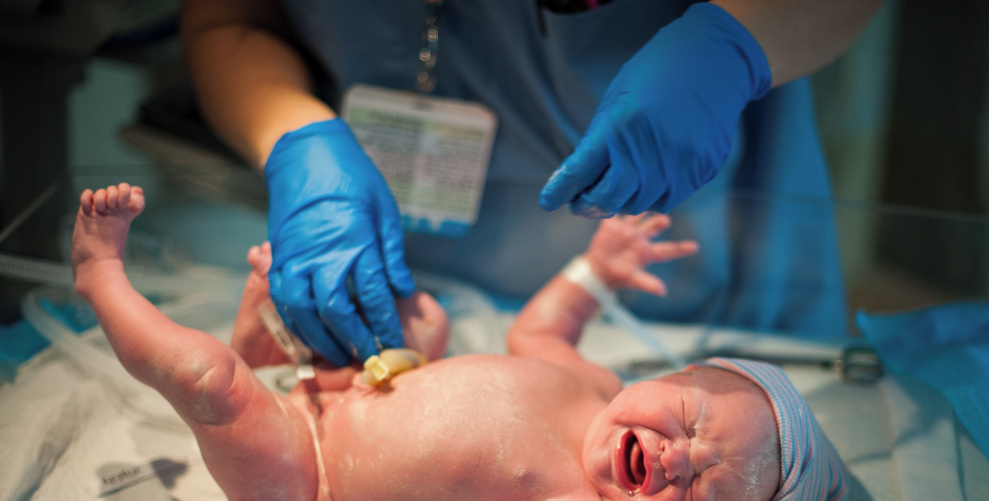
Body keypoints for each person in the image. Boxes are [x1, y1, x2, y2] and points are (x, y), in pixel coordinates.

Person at [72, 182, 848, 501]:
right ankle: (270, 341)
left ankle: (101, 276)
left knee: (214, 386)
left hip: (308, 472)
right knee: (422, 319)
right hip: (365, 382)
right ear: (673, 377)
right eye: (690, 421)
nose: (680, 458)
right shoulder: (593, 382)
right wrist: (597, 273)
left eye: (702, 494)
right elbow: (543, 327)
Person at [180, 0, 884, 366]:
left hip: (708, 286)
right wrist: (292, 134)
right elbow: (232, 17)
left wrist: (733, 49)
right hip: (389, 280)